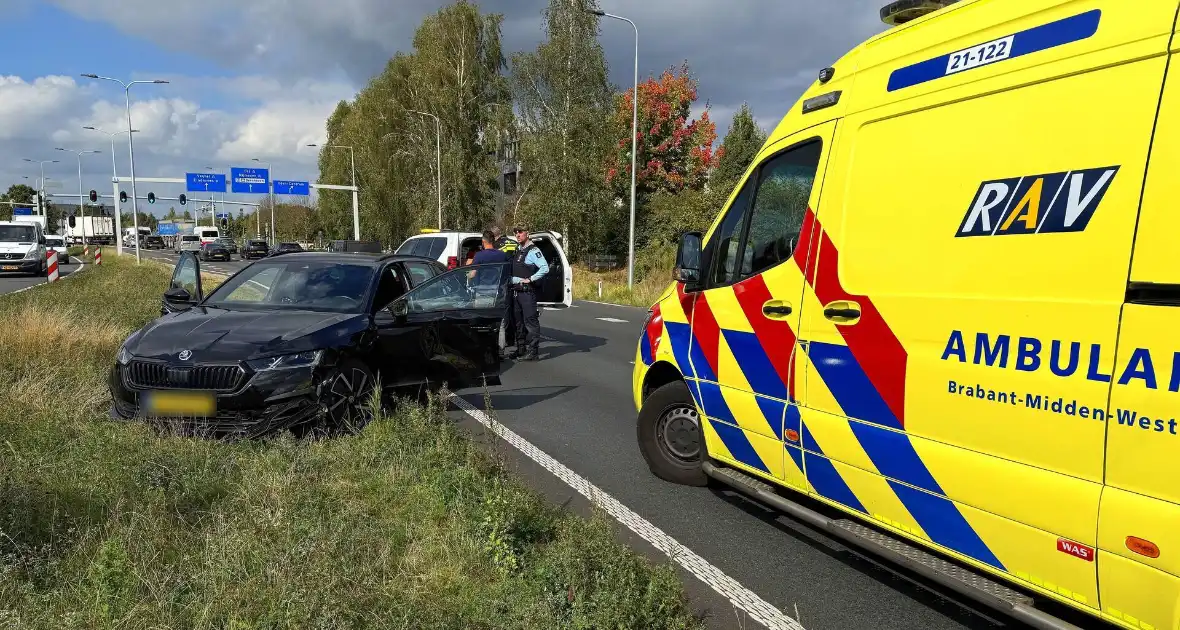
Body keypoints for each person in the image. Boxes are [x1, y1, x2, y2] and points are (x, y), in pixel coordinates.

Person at [509, 226, 548, 361]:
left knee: (530, 322)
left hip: (527, 292)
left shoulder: (533, 251)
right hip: (516, 292)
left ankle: (533, 352)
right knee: (518, 323)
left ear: (527, 234)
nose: (517, 234)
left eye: (520, 232)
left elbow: (545, 268)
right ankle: (521, 349)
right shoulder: (518, 250)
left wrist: (530, 279)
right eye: (516, 232)